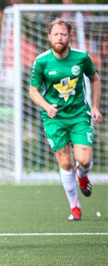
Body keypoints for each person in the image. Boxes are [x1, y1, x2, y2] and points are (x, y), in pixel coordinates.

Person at [29, 18, 102, 221]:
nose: (60, 38)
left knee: (84, 160)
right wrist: (46, 106)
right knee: (65, 163)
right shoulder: (41, 61)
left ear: (70, 37)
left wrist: (95, 106)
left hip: (79, 115)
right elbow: (33, 91)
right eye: (56, 34)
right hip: (54, 119)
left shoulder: (82, 57)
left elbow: (95, 79)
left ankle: (83, 175)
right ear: (49, 37)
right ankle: (75, 207)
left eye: (63, 34)